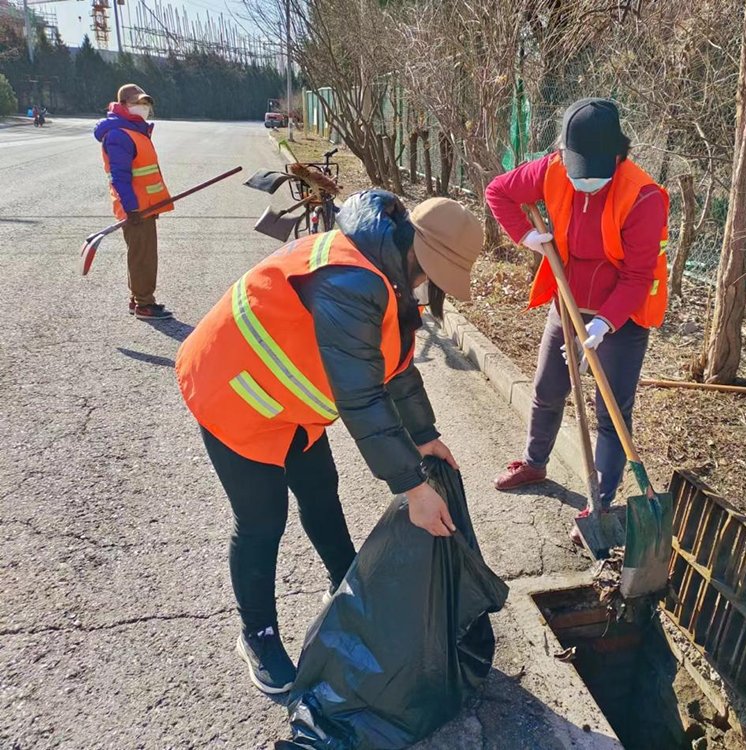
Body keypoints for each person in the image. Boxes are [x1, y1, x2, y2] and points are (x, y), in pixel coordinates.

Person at [175, 190, 484, 695]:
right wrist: (412, 488)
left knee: (320, 488)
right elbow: (362, 397)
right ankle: (258, 634)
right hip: (234, 391)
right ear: (416, 254)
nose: (429, 286)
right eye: (431, 273)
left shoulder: (389, 272)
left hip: (287, 402)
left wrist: (424, 437)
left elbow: (396, 366)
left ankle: (344, 580)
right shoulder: (353, 282)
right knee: (261, 520)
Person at [486, 98, 669, 544]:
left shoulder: (643, 196)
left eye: (595, 175)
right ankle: (534, 462)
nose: (585, 184)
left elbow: (637, 276)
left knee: (610, 412)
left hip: (621, 317)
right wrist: (526, 235)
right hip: (567, 304)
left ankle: (600, 501)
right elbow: (499, 192)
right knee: (548, 389)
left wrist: (603, 326)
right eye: (577, 172)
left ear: (618, 156)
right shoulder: (550, 170)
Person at [94, 84, 174, 320]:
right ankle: (144, 304)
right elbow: (120, 177)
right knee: (143, 257)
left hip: (145, 207)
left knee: (142, 254)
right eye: (139, 103)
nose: (145, 108)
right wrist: (132, 209)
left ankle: (137, 299)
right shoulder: (120, 135)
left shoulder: (135, 131)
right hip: (136, 209)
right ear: (124, 105)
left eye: (146, 104)